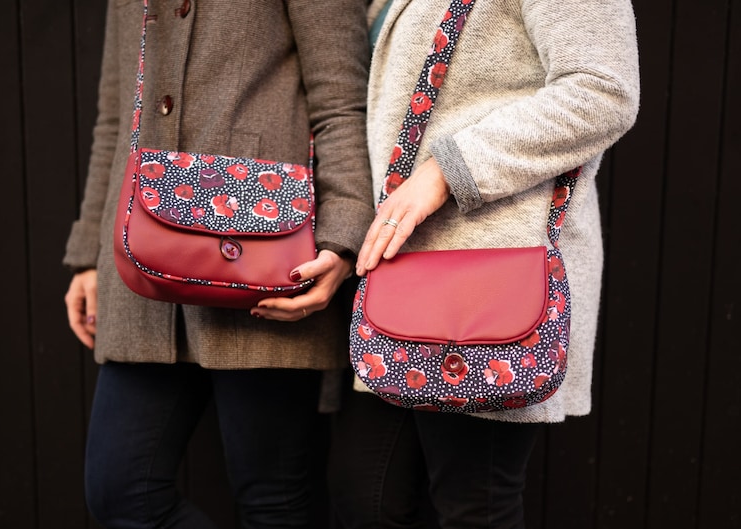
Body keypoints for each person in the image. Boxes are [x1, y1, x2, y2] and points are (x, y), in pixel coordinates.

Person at [328, 0, 640, 528]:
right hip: (401, 285)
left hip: (492, 285)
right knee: (367, 498)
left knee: (475, 507)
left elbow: (603, 88)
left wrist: (446, 171)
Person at [62, 1, 373, 527]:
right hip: (140, 255)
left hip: (263, 247)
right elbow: (116, 116)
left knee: (275, 500)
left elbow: (341, 103)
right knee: (121, 492)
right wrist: (89, 254)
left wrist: (342, 241)